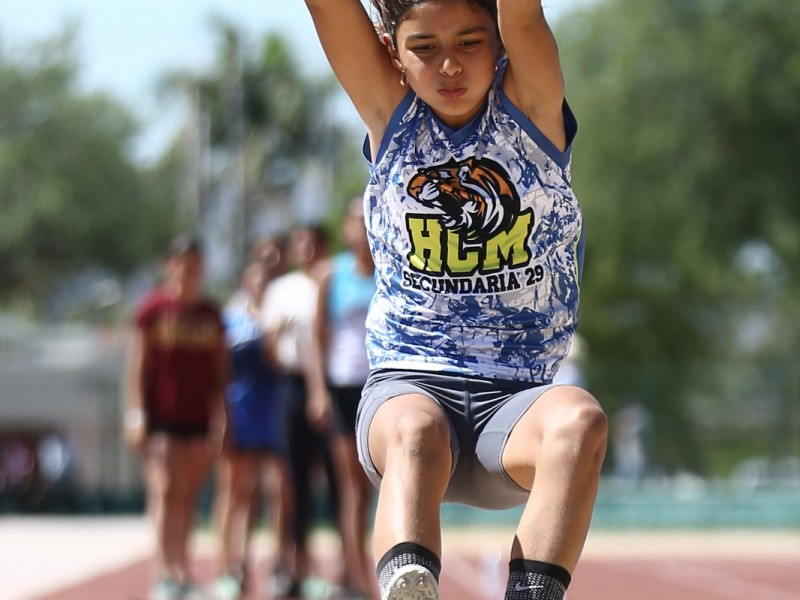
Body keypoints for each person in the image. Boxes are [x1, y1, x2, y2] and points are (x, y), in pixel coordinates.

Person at [303, 2, 608, 600]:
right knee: (418, 431)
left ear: (498, 43)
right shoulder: (390, 114)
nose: (449, 65)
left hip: (514, 408)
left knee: (580, 420)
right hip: (409, 394)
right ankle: (409, 588)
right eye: (425, 48)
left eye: (470, 42)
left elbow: (523, 17)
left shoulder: (532, 111)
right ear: (392, 50)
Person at [124, 235, 228, 600]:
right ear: (170, 266)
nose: (187, 271)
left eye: (194, 265)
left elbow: (220, 373)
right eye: (181, 263)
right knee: (165, 491)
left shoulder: (212, 315)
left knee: (188, 494)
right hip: (162, 418)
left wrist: (221, 419)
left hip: (198, 417)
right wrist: (136, 414)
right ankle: (164, 572)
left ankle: (183, 571)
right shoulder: (153, 310)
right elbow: (138, 367)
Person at [259, 224, 340, 598]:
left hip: (337, 384)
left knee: (341, 481)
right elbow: (269, 353)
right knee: (294, 481)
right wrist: (279, 337)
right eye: (299, 244)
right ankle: (297, 567)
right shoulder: (282, 290)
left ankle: (345, 569)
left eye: (312, 244)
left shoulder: (335, 279)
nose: (305, 250)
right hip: (293, 386)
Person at [209, 238, 293, 600]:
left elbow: (280, 362)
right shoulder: (230, 317)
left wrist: (271, 333)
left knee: (278, 489)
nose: (260, 286)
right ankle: (230, 566)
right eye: (254, 280)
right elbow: (219, 370)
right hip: (238, 411)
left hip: (273, 410)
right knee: (235, 490)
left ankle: (278, 564)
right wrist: (219, 416)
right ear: (246, 281)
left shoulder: (278, 315)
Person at [306, 199, 378, 600]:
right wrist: (317, 391)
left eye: (367, 217)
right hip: (343, 388)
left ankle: (364, 572)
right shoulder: (330, 275)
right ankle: (357, 579)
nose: (361, 226)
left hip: (381, 388)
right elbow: (315, 340)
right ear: (345, 227)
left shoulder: (390, 272)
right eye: (354, 219)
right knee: (351, 488)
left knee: (374, 488)